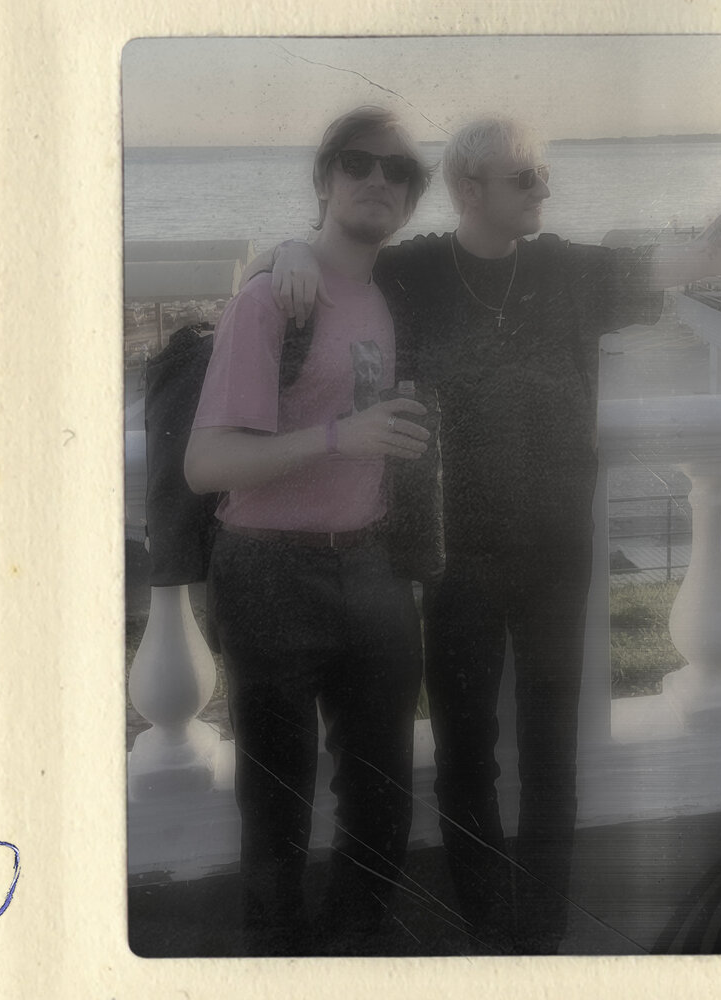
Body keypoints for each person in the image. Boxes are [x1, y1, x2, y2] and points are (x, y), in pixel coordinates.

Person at [264, 115, 721, 952]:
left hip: (558, 557)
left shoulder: (569, 271)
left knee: (551, 758)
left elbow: (704, 259)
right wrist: (287, 252)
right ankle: (492, 931)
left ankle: (542, 938)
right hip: (453, 561)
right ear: (468, 188)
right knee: (466, 759)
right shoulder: (413, 272)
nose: (544, 190)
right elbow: (322, 267)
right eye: (526, 178)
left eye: (543, 176)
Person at [183, 106, 434, 956]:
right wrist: (339, 437)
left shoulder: (395, 291)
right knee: (276, 807)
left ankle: (356, 954)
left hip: (372, 567)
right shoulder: (272, 301)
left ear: (413, 197)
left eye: (398, 171)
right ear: (324, 179)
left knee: (383, 797)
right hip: (268, 575)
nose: (378, 179)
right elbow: (206, 463)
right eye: (357, 163)